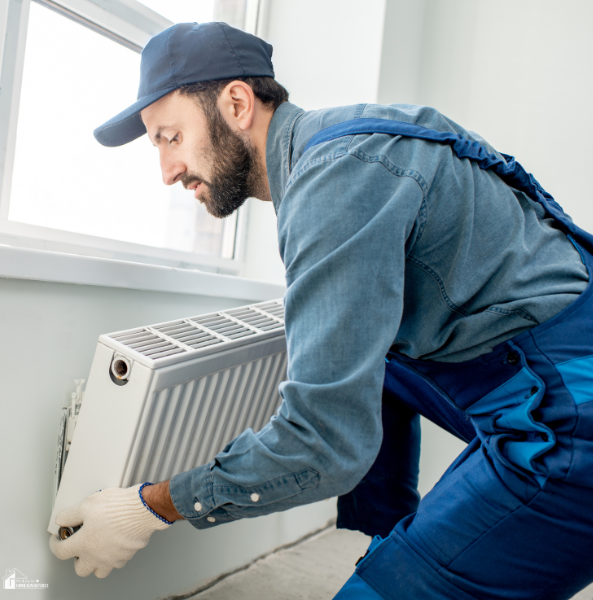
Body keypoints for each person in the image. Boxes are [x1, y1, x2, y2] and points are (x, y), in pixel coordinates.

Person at [49, 21, 593, 599]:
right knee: (356, 340)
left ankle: (406, 570)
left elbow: (322, 443)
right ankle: (393, 538)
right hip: (553, 363)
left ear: (236, 103)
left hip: (571, 420)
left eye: (170, 137)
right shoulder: (352, 137)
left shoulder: (332, 186)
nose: (167, 171)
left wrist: (151, 506)